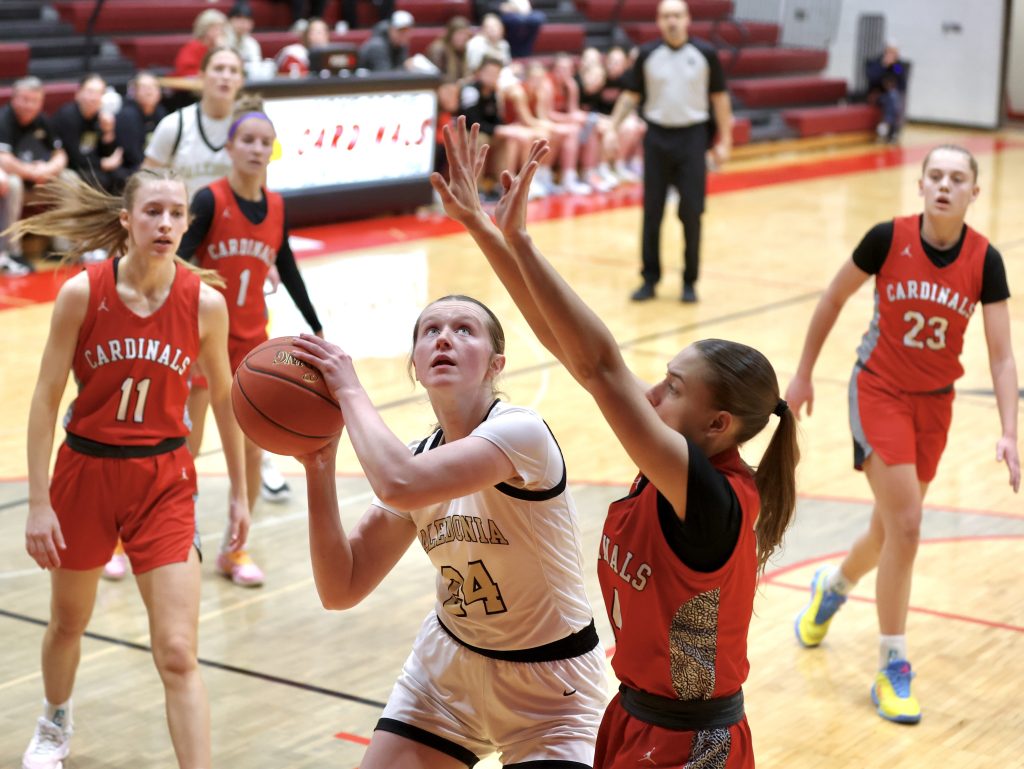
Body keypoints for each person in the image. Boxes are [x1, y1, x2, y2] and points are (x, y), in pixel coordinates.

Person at [432, 116, 799, 769]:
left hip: (693, 742)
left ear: (717, 425)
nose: (652, 394)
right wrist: (486, 232)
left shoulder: (708, 493)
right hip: (631, 715)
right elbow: (573, 353)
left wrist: (523, 241)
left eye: (672, 387)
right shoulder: (673, 461)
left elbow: (599, 368)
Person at [289, 291, 608, 767]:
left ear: (495, 364)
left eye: (464, 330)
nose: (445, 338)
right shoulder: (419, 459)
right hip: (445, 675)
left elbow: (400, 483)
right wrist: (319, 465)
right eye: (430, 331)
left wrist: (350, 390)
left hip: (551, 692)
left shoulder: (523, 433)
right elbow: (341, 587)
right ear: (415, 366)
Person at [15, 168, 250, 769]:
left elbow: (225, 401)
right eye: (153, 212)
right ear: (127, 219)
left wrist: (239, 497)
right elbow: (44, 400)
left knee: (177, 651)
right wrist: (38, 502)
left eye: (176, 213)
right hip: (85, 473)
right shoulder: (81, 293)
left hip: (164, 481)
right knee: (69, 623)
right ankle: (54, 720)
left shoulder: (206, 304)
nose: (166, 223)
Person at [787, 144, 1019, 724]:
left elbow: (1000, 357)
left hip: (934, 407)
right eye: (935, 175)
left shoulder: (985, 260)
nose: (944, 185)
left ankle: (831, 588)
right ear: (920, 185)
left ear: (974, 192)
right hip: (879, 391)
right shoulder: (886, 238)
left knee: (888, 530)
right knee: (909, 526)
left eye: (956, 178)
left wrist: (1010, 432)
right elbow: (834, 297)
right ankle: (892, 664)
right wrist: (804, 372)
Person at [177, 97, 324, 586]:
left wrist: (315, 324)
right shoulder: (207, 200)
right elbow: (177, 262)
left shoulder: (277, 206)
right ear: (230, 146)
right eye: (248, 141)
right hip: (204, 344)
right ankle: (173, 536)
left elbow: (287, 266)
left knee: (253, 453)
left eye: (265, 142)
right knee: (186, 448)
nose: (257, 149)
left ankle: (234, 551)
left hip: (252, 349)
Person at [605, 0, 733, 304]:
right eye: (665, 16)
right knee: (652, 212)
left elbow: (719, 98)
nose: (671, 21)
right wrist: (612, 128)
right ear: (659, 21)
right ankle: (649, 279)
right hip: (658, 138)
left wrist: (725, 140)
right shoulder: (648, 55)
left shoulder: (705, 54)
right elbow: (630, 95)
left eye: (676, 15)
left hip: (693, 138)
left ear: (687, 19)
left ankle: (690, 281)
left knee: (692, 212)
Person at [145, 47, 244, 204]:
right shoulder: (174, 125)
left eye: (233, 70)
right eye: (218, 69)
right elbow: (144, 185)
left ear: (241, 80)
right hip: (184, 224)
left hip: (232, 225)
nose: (226, 76)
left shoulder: (248, 129)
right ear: (201, 76)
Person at [0, 76, 69, 274]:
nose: (30, 105)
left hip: (37, 183)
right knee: (12, 184)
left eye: (35, 100)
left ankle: (64, 247)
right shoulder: (4, 120)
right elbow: (3, 160)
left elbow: (60, 154)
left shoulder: (42, 121)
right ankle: (10, 253)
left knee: (68, 178)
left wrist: (48, 169)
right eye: (25, 99)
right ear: (13, 99)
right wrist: (32, 172)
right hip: (14, 186)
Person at [53, 73, 126, 196]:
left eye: (99, 93)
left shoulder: (101, 117)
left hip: (91, 165)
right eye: (90, 92)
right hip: (70, 167)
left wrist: (108, 132)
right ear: (78, 94)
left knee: (121, 177)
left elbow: (107, 153)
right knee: (98, 179)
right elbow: (73, 158)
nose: (94, 98)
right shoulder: (68, 116)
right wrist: (103, 164)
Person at [116, 71, 167, 176]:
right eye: (144, 88)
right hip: (131, 168)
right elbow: (131, 154)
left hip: (154, 165)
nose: (149, 92)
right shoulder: (127, 115)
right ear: (135, 92)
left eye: (153, 87)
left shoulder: (160, 112)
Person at [866, 41, 909, 143]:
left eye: (894, 53)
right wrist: (884, 65)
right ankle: (891, 128)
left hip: (892, 96)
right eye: (890, 52)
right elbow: (872, 78)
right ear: (885, 51)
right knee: (893, 98)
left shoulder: (897, 66)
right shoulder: (877, 62)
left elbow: (902, 82)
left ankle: (887, 125)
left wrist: (894, 65)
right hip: (878, 95)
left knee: (894, 96)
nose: (891, 55)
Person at [173, 8, 228, 77]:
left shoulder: (219, 47)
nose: (220, 32)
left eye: (221, 28)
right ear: (205, 29)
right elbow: (184, 71)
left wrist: (222, 49)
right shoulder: (193, 47)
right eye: (216, 28)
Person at [425, 15, 473, 82]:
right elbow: (435, 76)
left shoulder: (466, 49)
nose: (463, 38)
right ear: (450, 35)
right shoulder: (439, 49)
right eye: (460, 34)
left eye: (465, 34)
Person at [225, 2, 263, 74]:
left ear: (252, 23)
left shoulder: (252, 44)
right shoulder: (221, 40)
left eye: (247, 19)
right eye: (239, 18)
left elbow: (256, 70)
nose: (243, 22)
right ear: (229, 20)